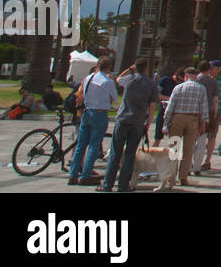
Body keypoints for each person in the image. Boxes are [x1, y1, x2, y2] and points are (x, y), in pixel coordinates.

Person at [99, 58, 162, 193]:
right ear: (146, 68)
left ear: (135, 67)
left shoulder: (129, 79)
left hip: (122, 119)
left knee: (115, 153)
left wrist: (130, 68)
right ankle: (123, 185)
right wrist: (148, 123)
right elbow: (152, 106)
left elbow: (117, 79)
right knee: (130, 154)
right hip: (137, 121)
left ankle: (107, 185)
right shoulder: (151, 84)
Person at [67, 56, 120, 185]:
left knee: (81, 144)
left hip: (87, 111)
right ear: (109, 67)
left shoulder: (89, 78)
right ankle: (86, 174)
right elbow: (114, 97)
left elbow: (82, 94)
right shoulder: (107, 81)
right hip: (100, 112)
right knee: (94, 145)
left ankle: (73, 174)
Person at [163, 67, 208, 186]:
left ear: (185, 76)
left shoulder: (178, 87)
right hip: (193, 119)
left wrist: (166, 123)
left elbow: (170, 106)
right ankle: (183, 177)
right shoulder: (201, 89)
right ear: (196, 76)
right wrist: (203, 124)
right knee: (188, 150)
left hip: (177, 117)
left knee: (174, 147)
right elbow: (204, 109)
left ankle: (170, 176)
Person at [194, 61, 219, 175]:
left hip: (195, 112)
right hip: (208, 111)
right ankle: (204, 161)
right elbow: (215, 100)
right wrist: (214, 113)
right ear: (209, 70)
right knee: (206, 138)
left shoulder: (195, 80)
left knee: (192, 139)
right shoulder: (213, 81)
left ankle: (189, 163)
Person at [155, 67, 181, 146]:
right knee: (158, 135)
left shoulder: (181, 84)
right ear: (176, 75)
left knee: (174, 137)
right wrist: (170, 99)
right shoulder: (165, 80)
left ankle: (172, 154)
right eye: (178, 79)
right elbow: (157, 94)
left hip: (175, 112)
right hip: (163, 109)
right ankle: (154, 150)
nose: (179, 82)